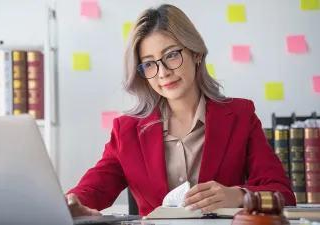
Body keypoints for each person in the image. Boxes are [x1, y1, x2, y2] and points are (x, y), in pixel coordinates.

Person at [65, 3, 296, 217]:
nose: (163, 72)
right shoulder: (127, 130)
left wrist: (238, 195)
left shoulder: (240, 116)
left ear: (196, 53)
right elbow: (92, 191)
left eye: (171, 55)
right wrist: (71, 204)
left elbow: (283, 195)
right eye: (149, 64)